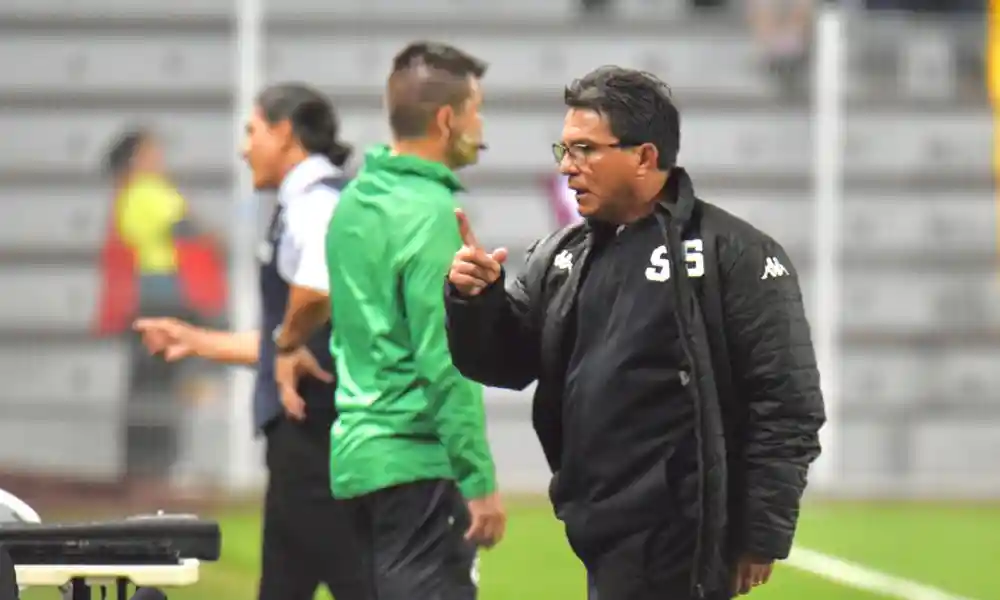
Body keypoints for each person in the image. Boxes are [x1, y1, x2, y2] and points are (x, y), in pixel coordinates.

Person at [444, 66, 826, 600]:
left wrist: (760, 533)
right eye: (565, 151)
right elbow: (504, 363)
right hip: (600, 528)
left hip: (684, 536)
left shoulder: (735, 254)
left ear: (645, 157)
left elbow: (787, 405)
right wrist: (475, 300)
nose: (568, 169)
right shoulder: (563, 255)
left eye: (585, 151)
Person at [273, 42, 504, 599]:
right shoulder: (431, 216)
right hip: (416, 463)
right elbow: (445, 359)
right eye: (476, 109)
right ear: (447, 119)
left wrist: (285, 345)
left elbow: (327, 309)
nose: (481, 123)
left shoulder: (352, 204)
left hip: (355, 460)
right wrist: (478, 480)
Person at [133, 83, 369, 600]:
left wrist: (284, 347)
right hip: (303, 435)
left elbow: (313, 297)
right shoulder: (309, 203)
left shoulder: (316, 205)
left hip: (317, 434)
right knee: (286, 585)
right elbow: (296, 336)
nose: (243, 148)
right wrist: (197, 341)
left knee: (357, 580)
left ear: (285, 133)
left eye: (252, 131)